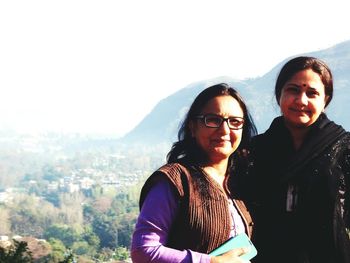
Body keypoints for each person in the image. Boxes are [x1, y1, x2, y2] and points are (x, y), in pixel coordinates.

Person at [239, 56, 350, 263]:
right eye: (293, 90)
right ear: (279, 94)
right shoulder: (254, 151)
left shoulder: (343, 148)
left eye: (312, 93)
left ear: (325, 100)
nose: (301, 100)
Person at [131, 83, 257, 263]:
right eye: (213, 120)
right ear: (192, 127)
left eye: (235, 122)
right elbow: (143, 251)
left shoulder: (240, 180)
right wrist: (212, 262)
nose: (224, 130)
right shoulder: (175, 181)